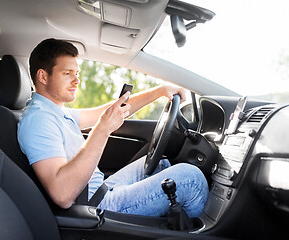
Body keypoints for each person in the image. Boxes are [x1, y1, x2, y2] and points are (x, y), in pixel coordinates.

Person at [18, 38, 208, 217]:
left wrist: (159, 92)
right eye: (67, 74)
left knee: (161, 165)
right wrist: (102, 129)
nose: (76, 81)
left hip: (99, 189)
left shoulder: (53, 111)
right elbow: (62, 194)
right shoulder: (38, 120)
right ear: (43, 76)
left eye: (77, 74)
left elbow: (105, 112)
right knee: (190, 179)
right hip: (95, 205)